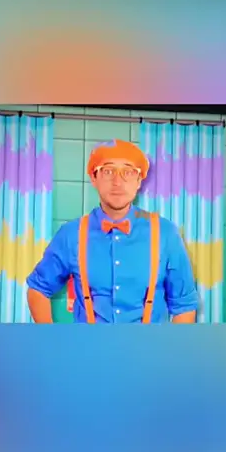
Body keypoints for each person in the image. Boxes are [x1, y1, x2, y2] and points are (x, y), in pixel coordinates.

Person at [26, 138, 198, 324]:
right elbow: (38, 289)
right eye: (108, 171)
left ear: (139, 180)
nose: (118, 181)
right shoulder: (71, 234)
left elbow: (184, 305)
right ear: (94, 178)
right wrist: (51, 337)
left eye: (128, 172)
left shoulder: (166, 234)